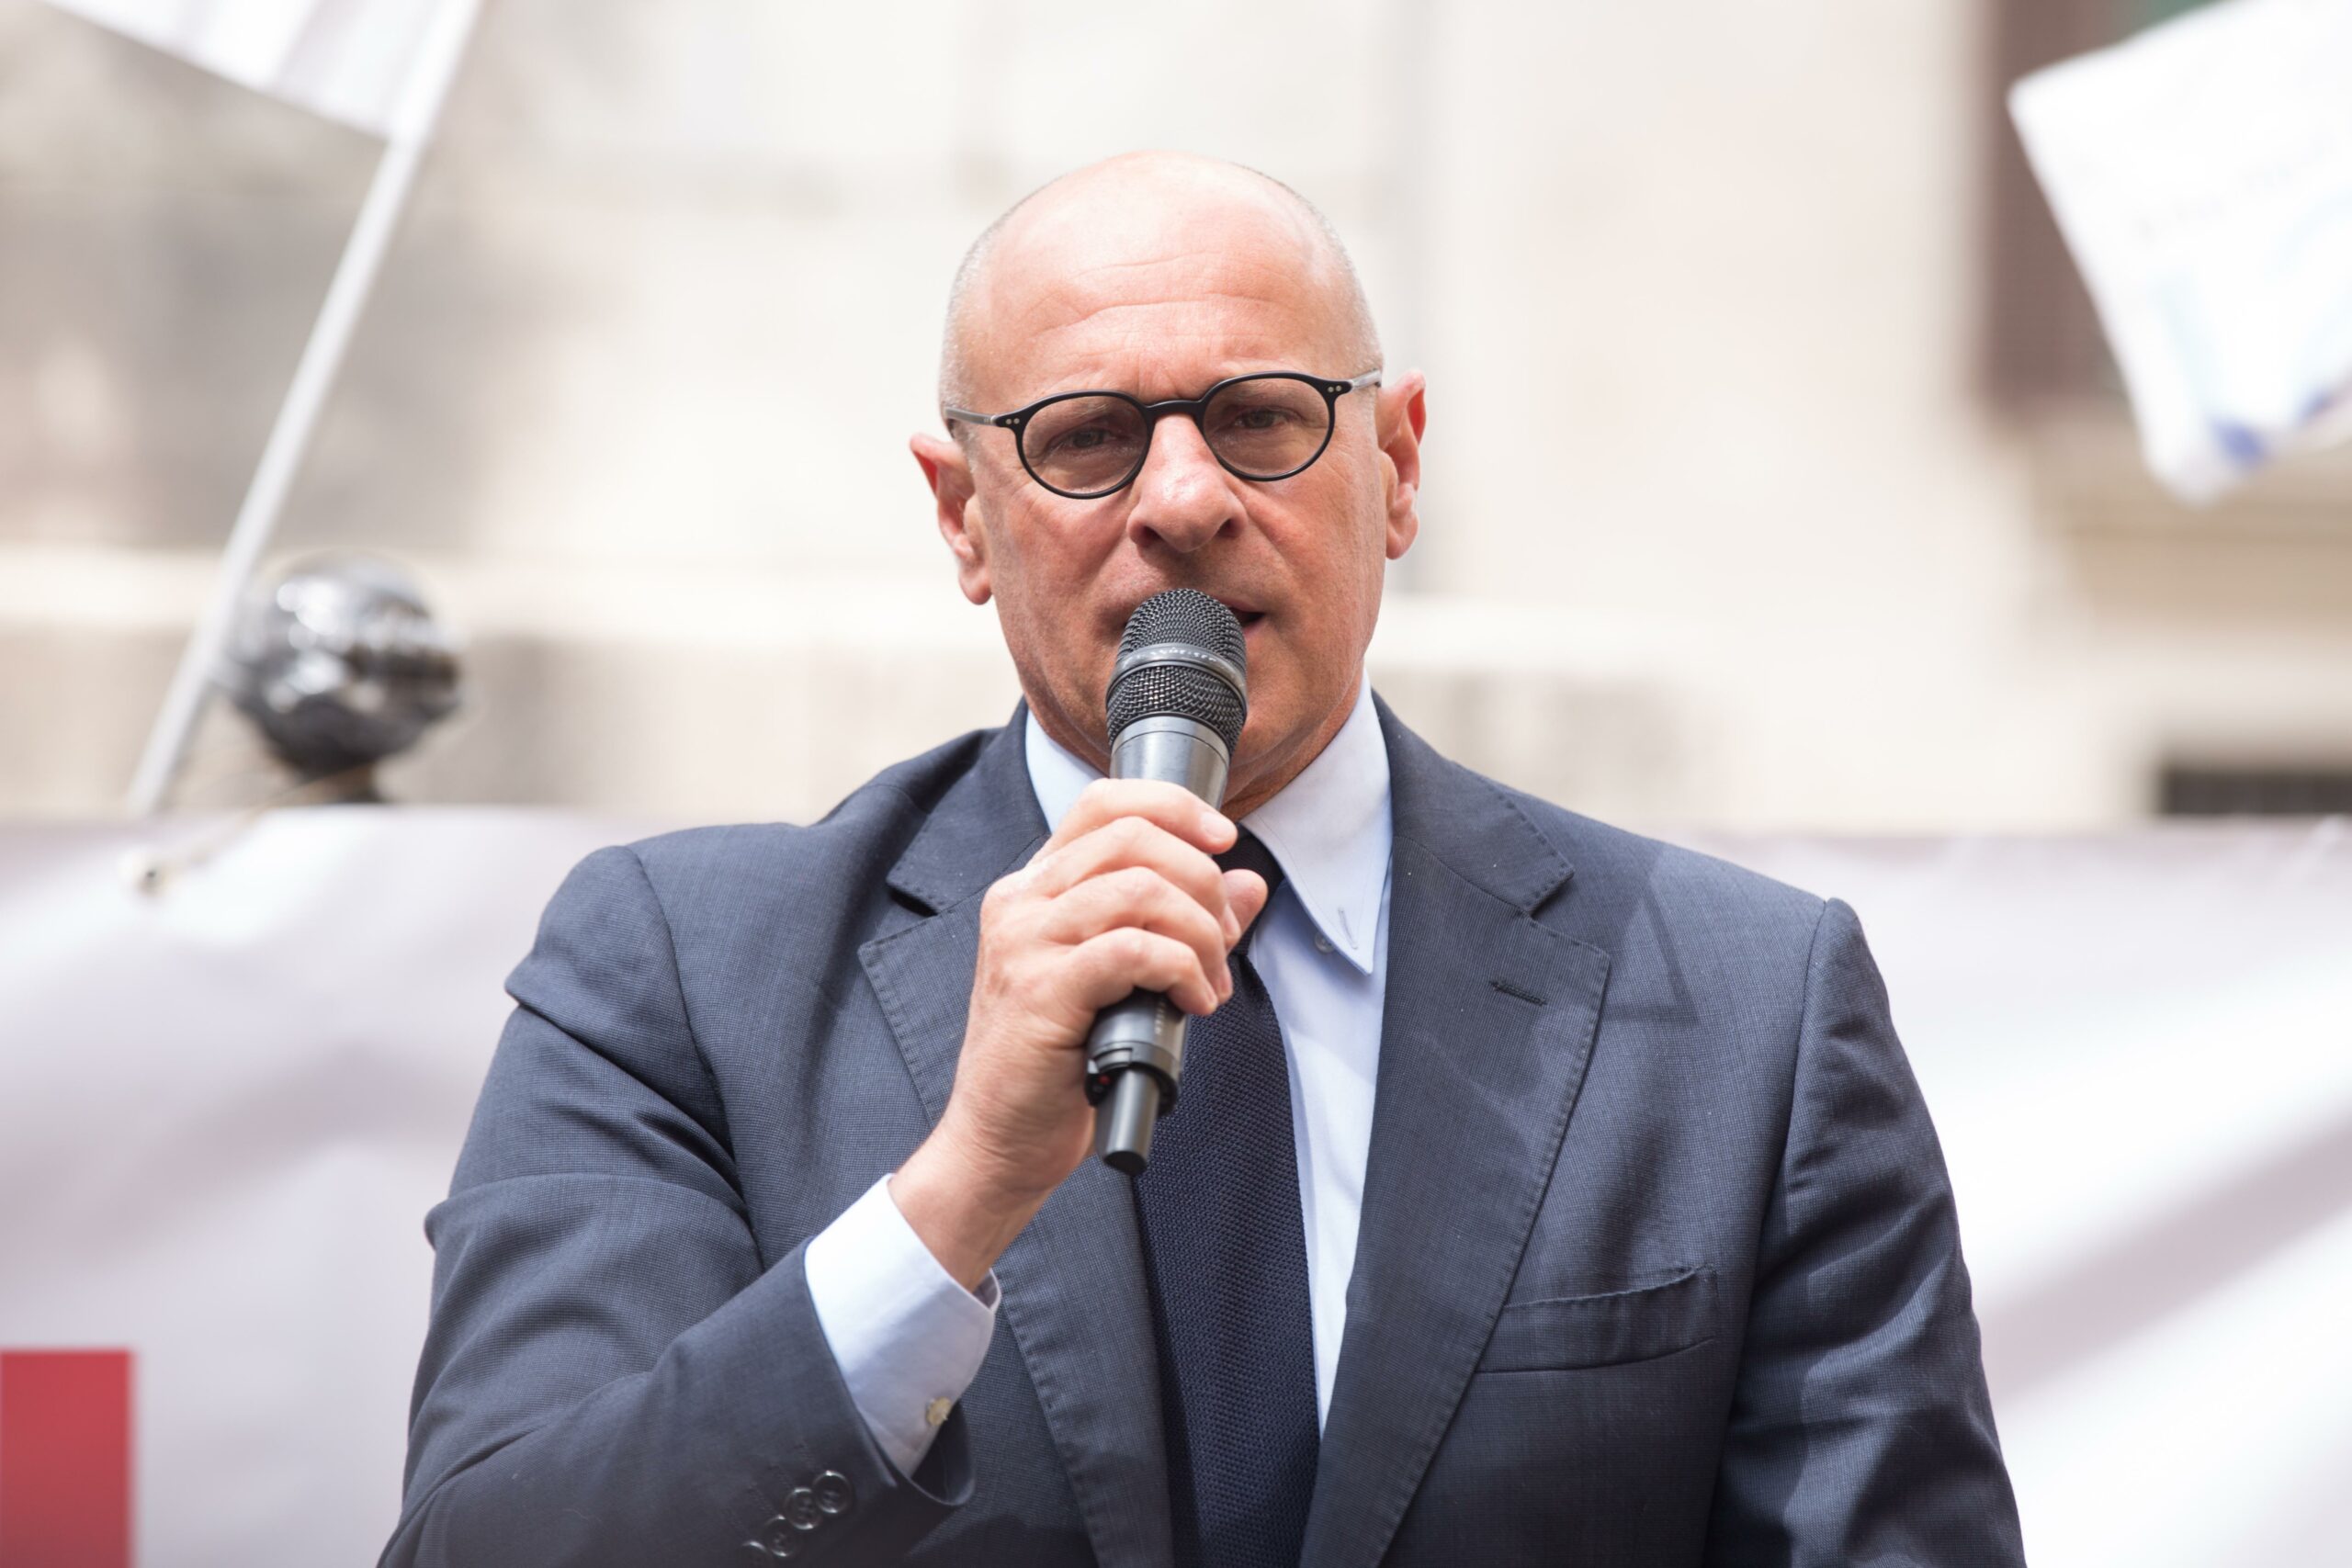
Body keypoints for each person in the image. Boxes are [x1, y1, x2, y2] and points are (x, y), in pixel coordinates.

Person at [384, 152, 2026, 1567]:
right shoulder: (681, 976)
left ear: (1397, 467)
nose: (1182, 499)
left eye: (1260, 420)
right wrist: (957, 1197)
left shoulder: (1747, 1012)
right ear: (963, 516)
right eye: (1088, 438)